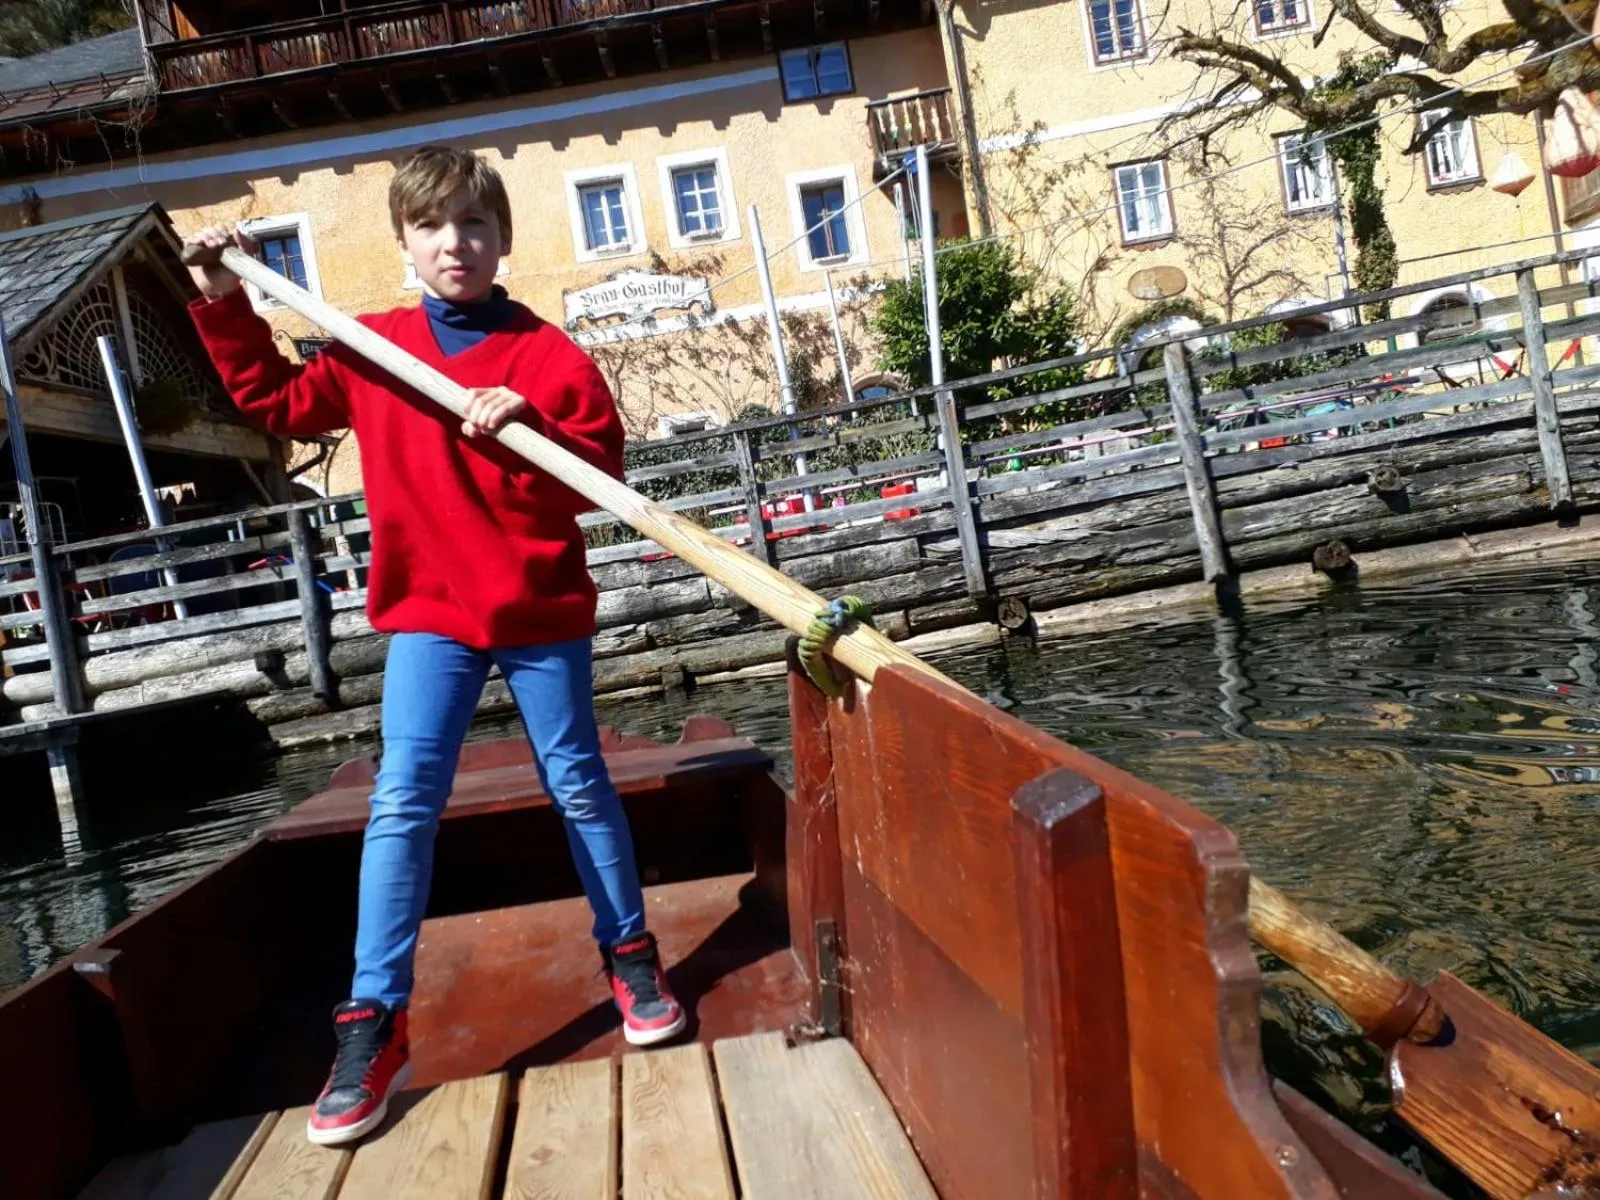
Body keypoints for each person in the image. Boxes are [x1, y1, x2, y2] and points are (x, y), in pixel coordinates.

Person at [183, 145, 685, 1148]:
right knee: (403, 800)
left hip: (538, 612)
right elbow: (277, 403)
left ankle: (630, 955)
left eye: (474, 224)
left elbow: (598, 476)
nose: (456, 244)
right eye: (432, 227)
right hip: (428, 615)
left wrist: (531, 428)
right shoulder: (371, 348)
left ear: (502, 238)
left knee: (579, 782)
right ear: (405, 243)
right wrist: (221, 301)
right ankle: (374, 1021)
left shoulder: (549, 358)